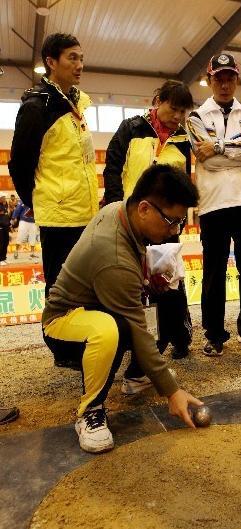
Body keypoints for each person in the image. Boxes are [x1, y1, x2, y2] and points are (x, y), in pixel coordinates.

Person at [42, 164, 203, 453]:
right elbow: (138, 329)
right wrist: (172, 392)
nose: (174, 230)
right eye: (171, 221)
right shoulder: (113, 255)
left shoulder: (119, 209)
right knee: (112, 329)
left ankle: (137, 376)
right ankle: (90, 410)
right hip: (63, 322)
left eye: (179, 223)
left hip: (100, 303)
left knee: (166, 293)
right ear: (144, 208)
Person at [104, 80, 193, 374]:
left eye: (182, 111)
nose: (177, 116)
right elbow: (113, 168)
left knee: (169, 280)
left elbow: (185, 183)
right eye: (172, 108)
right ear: (158, 100)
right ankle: (137, 344)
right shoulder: (131, 128)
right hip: (134, 222)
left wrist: (178, 219)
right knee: (135, 283)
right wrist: (118, 206)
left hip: (167, 225)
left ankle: (178, 337)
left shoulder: (183, 139)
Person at [186, 53, 241, 356]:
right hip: (214, 204)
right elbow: (203, 154)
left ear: (237, 79)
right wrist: (239, 151)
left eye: (230, 77)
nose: (224, 83)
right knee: (213, 272)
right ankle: (214, 334)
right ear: (209, 80)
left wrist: (220, 146)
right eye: (218, 78)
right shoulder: (195, 117)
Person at [8, 33, 98, 297]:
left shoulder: (77, 103)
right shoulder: (37, 107)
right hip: (58, 217)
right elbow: (20, 164)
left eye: (81, 58)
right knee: (61, 290)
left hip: (86, 211)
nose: (80, 65)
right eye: (72, 58)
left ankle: (85, 335)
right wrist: (38, 201)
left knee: (86, 286)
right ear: (51, 62)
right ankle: (60, 338)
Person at [0, 195, 10, 266]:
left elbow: (6, 217)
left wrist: (9, 225)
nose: (4, 199)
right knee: (1, 243)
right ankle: (0, 259)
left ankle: (3, 258)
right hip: (0, 228)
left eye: (4, 197)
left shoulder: (5, 206)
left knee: (5, 243)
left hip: (6, 228)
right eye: (3, 197)